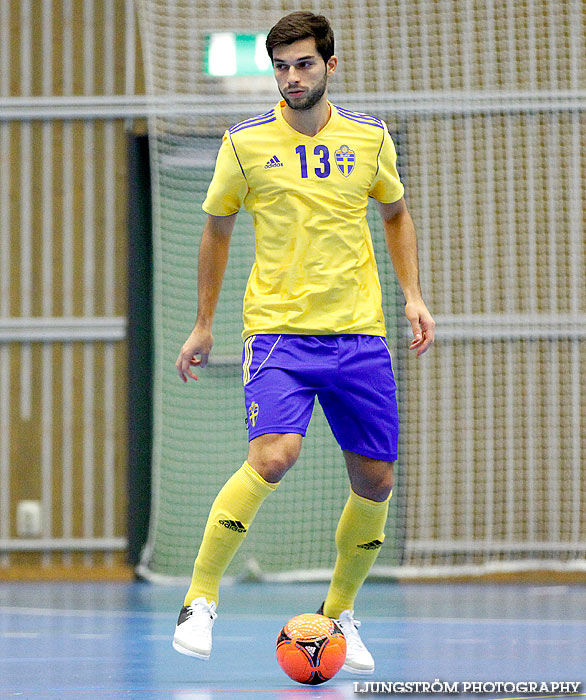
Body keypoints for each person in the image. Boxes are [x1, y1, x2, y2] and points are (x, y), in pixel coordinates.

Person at [172, 11, 435, 674]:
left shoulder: (371, 139)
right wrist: (203, 323)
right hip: (280, 333)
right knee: (274, 455)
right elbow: (216, 230)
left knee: (375, 478)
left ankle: (340, 613)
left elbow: (395, 212)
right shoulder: (243, 144)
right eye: (282, 66)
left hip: (360, 335)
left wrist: (413, 295)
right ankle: (199, 599)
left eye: (304, 64)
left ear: (330, 66)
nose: (292, 78)